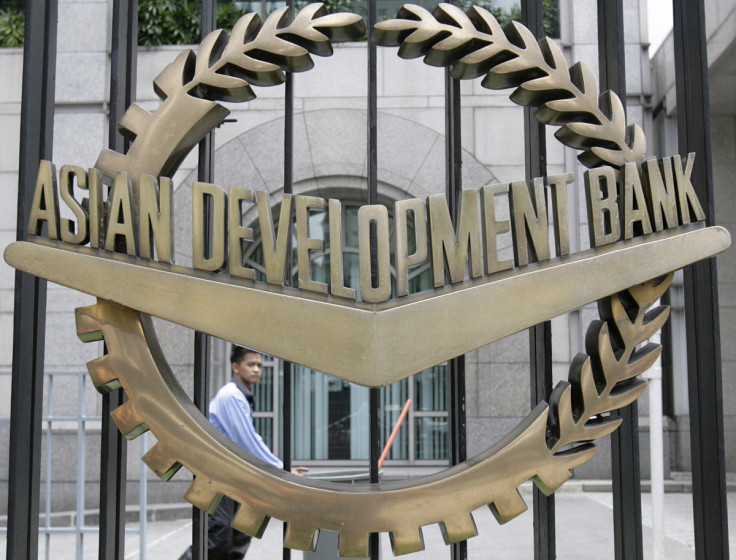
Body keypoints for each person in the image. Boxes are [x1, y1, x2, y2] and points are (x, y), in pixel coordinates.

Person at [179, 345, 307, 560]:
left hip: (234, 476)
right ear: (236, 367)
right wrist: (280, 469)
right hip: (218, 475)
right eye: (251, 364)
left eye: (259, 365)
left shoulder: (240, 395)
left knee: (239, 538)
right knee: (218, 536)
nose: (257, 369)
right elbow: (247, 441)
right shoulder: (231, 396)